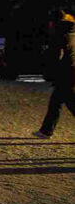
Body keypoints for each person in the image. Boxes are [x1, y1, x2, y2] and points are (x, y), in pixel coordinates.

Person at [34, 8, 75, 139]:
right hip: (72, 69)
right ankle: (46, 130)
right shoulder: (72, 31)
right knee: (57, 102)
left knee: (66, 102)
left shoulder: (60, 33)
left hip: (66, 71)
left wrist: (50, 71)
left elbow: (56, 55)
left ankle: (46, 131)